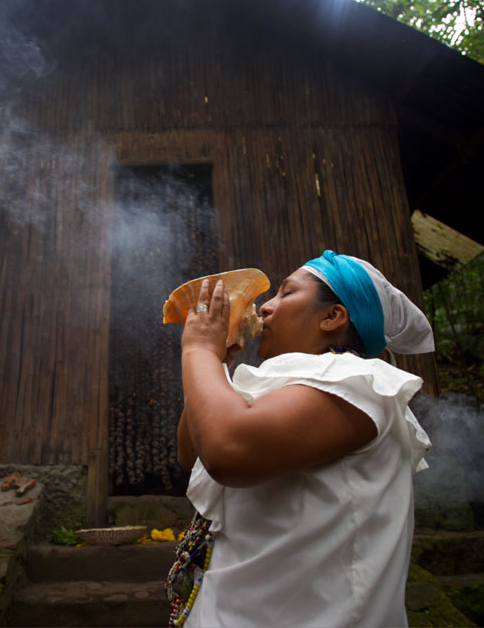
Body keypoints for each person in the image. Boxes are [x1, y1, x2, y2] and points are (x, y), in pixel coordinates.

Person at [170, 250, 434, 628]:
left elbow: (226, 451)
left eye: (286, 293)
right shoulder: (281, 387)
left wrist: (197, 349)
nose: (265, 308)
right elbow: (190, 451)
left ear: (331, 317)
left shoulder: (355, 383)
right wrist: (218, 363)